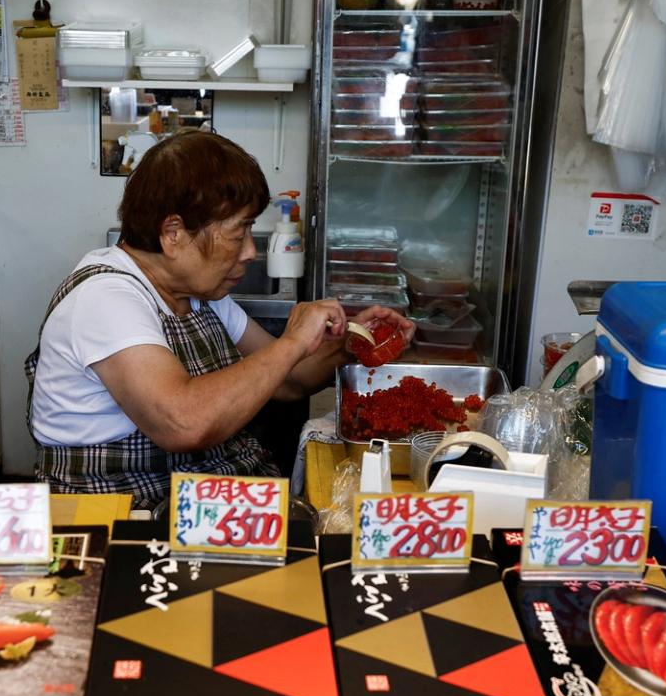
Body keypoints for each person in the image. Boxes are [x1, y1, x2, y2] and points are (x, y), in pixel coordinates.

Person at [26, 131, 415, 505]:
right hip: (125, 509)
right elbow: (182, 423)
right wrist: (293, 341)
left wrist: (353, 343)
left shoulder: (199, 294)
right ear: (173, 234)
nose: (250, 252)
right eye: (239, 231)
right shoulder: (106, 298)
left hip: (205, 496)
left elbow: (291, 379)